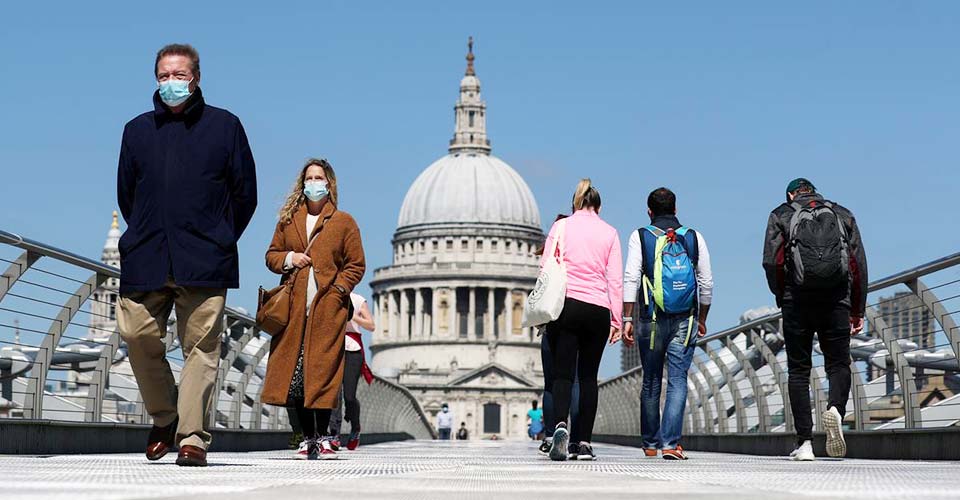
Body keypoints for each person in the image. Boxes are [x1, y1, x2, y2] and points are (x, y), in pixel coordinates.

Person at [116, 43, 257, 467]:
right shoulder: (136, 130)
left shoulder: (225, 125)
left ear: (195, 77)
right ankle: (167, 417)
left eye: (179, 75)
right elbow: (127, 194)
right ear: (156, 79)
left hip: (204, 257)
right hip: (148, 254)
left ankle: (192, 437)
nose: (171, 82)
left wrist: (219, 235)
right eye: (164, 75)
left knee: (201, 348)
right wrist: (146, 228)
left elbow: (244, 192)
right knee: (136, 336)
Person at [261, 158, 366, 461]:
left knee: (322, 373)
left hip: (326, 310)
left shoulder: (344, 221)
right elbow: (271, 256)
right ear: (302, 183)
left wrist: (338, 291)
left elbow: (356, 264)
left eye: (319, 177)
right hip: (292, 310)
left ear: (329, 183)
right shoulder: (288, 219)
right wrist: (290, 258)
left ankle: (323, 436)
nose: (314, 182)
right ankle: (308, 438)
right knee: (296, 376)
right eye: (309, 177)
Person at [762, 178, 867, 461]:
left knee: (799, 370)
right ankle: (836, 409)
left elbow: (771, 262)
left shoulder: (781, 214)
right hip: (836, 300)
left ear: (790, 194)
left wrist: (782, 295)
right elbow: (857, 262)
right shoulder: (841, 213)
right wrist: (858, 308)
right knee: (838, 363)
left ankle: (805, 443)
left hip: (796, 301)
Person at [622, 187, 713, 461]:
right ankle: (671, 443)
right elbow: (706, 283)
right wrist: (702, 318)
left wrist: (627, 317)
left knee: (650, 382)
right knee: (677, 381)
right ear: (676, 209)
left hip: (650, 318)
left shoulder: (641, 237)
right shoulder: (694, 237)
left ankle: (651, 443)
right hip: (685, 318)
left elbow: (630, 278)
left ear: (649, 211)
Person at [542, 179, 623, 462]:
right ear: (599, 206)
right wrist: (617, 318)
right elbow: (615, 280)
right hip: (598, 309)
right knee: (588, 378)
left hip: (567, 307)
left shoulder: (561, 227)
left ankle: (560, 426)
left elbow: (546, 268)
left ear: (576, 203)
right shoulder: (610, 232)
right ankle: (585, 443)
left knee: (563, 375)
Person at [535, 215, 583, 458]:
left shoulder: (549, 255)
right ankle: (578, 439)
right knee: (574, 381)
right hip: (580, 317)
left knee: (551, 383)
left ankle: (550, 436)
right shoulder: (583, 249)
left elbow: (542, 287)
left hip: (553, 321)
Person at [327, 292, 375, 451]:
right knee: (334, 393)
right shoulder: (328, 296)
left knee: (349, 395)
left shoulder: (358, 300)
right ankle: (334, 435)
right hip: (333, 347)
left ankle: (355, 427)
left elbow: (371, 325)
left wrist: (352, 316)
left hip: (352, 349)